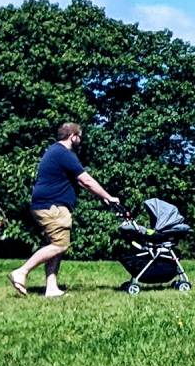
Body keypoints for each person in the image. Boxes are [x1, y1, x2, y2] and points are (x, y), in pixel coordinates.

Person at [8, 123, 118, 298]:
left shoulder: (54, 151)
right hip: (53, 206)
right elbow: (87, 180)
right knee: (60, 245)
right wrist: (109, 196)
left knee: (56, 246)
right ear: (73, 136)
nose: (80, 141)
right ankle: (22, 272)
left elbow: (82, 183)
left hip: (47, 205)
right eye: (80, 137)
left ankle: (51, 288)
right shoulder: (63, 153)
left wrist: (102, 197)